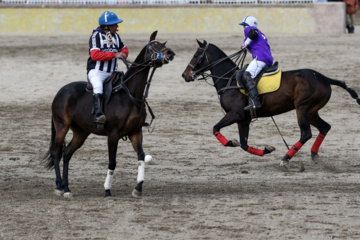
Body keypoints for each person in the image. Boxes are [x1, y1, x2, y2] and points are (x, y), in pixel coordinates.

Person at [87, 11, 129, 124]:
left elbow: (124, 48)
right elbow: (95, 55)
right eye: (115, 24)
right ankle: (98, 114)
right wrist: (114, 54)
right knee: (98, 86)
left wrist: (123, 53)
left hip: (113, 72)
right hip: (97, 71)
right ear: (107, 26)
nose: (117, 26)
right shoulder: (96, 36)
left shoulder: (116, 36)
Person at [239, 16, 274, 111]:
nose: (243, 28)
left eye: (244, 26)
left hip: (261, 58)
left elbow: (253, 33)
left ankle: (255, 101)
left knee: (247, 75)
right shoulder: (262, 35)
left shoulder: (250, 29)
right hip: (266, 59)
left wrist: (245, 44)